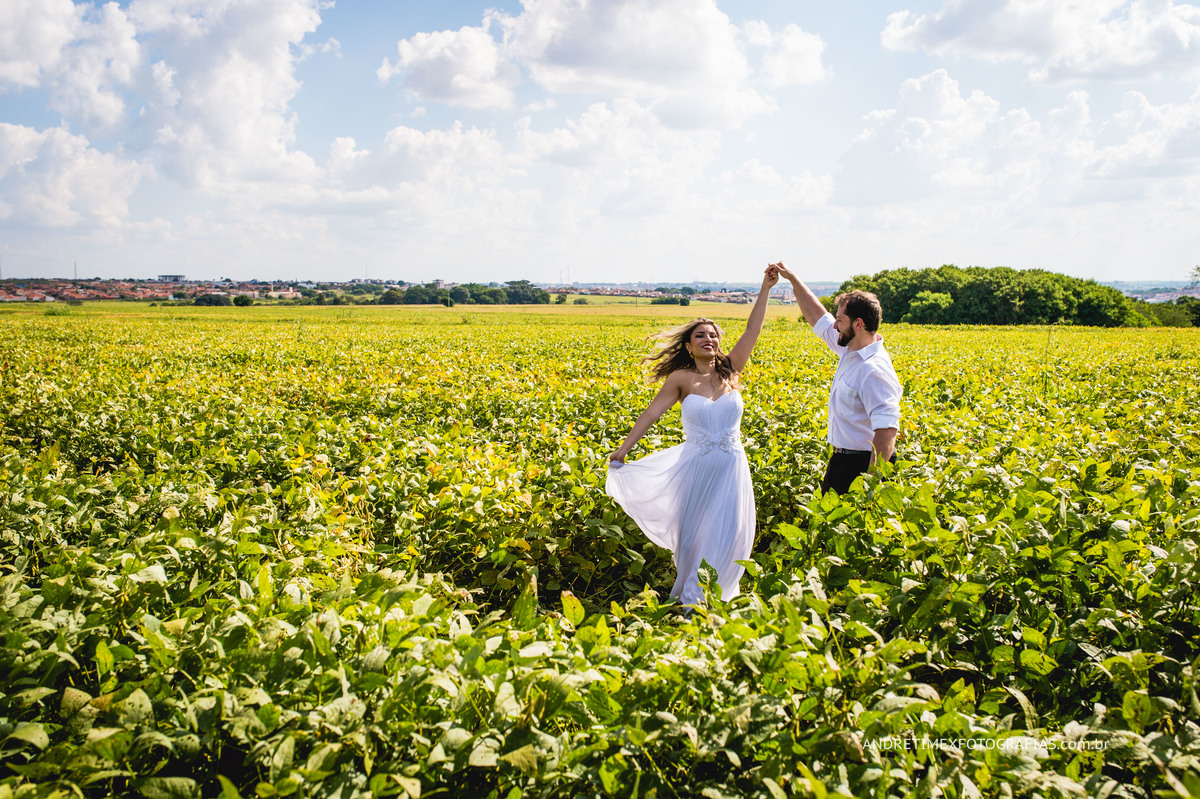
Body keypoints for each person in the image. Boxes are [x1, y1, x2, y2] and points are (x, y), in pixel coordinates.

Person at [606, 269, 779, 607]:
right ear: (688, 345)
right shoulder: (680, 379)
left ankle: (719, 597)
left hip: (731, 467)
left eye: (713, 335)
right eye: (701, 335)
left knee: (729, 534)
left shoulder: (732, 369)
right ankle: (691, 600)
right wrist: (624, 448)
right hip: (697, 469)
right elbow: (651, 414)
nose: (708, 339)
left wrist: (765, 288)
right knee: (695, 537)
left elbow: (753, 329)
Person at [771, 262, 901, 494]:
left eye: (840, 320)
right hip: (841, 462)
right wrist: (792, 279)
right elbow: (818, 317)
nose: (835, 325)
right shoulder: (849, 348)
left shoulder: (873, 369)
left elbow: (886, 431)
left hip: (863, 467)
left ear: (858, 324)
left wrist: (870, 485)